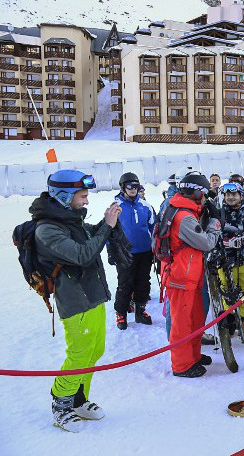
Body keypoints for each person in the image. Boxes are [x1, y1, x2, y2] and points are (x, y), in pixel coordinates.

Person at [32, 170, 120, 432]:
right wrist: (107, 226)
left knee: (95, 350)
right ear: (64, 196)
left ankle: (79, 399)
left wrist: (105, 223)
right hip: (75, 300)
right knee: (79, 353)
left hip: (92, 294)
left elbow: (87, 236)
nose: (86, 201)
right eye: (82, 196)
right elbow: (82, 254)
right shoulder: (47, 228)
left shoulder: (70, 219)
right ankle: (61, 403)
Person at [163, 172, 221, 378]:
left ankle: (193, 356)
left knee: (195, 319)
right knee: (181, 323)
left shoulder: (186, 211)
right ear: (196, 193)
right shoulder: (184, 216)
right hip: (181, 276)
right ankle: (181, 365)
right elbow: (206, 243)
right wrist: (215, 222)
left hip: (190, 274)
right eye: (204, 194)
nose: (206, 199)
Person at [213, 181, 244, 333]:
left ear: (241, 196)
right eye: (228, 195)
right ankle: (230, 321)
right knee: (228, 294)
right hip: (225, 261)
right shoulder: (218, 214)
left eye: (234, 194)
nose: (231, 197)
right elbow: (212, 236)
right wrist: (225, 243)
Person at [113, 172, 156, 330]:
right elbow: (110, 232)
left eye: (136, 186)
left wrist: (156, 248)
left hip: (145, 252)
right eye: (130, 186)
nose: (133, 189)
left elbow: (155, 228)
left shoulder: (145, 206)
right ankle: (121, 313)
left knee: (143, 283)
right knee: (125, 284)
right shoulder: (116, 207)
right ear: (123, 187)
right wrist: (112, 252)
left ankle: (140, 309)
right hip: (125, 253)